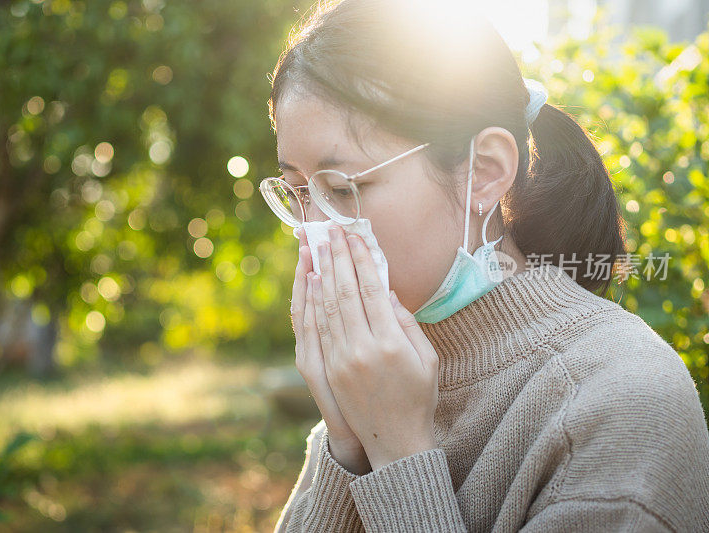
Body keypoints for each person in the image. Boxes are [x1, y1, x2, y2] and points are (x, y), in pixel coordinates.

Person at [259, 1, 709, 531]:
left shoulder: (622, 402)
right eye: (296, 191)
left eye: (341, 188)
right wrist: (348, 445)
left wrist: (400, 452)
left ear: (487, 172)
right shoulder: (376, 379)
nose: (316, 228)